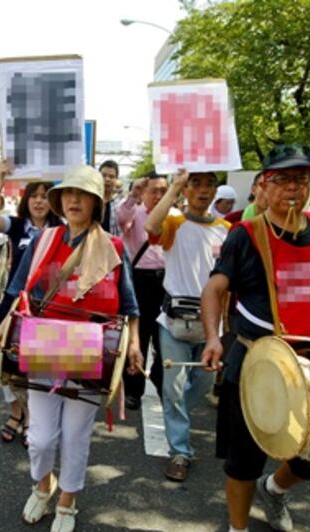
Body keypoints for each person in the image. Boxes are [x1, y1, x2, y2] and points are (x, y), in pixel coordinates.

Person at [201, 144, 310, 532]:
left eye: (301, 180)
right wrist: (215, 338)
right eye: (283, 180)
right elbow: (214, 290)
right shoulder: (246, 235)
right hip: (258, 361)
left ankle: (276, 491)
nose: (293, 189)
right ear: (264, 187)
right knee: (243, 459)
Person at [0, 165, 142, 532]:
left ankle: (68, 500)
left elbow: (130, 307)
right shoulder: (43, 240)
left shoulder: (114, 247)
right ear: (60, 201)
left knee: (75, 437)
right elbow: (19, 291)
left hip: (92, 352)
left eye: (82, 194)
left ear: (96, 202)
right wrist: (4, 325)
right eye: (68, 194)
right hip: (43, 346)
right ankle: (43, 485)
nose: (73, 200)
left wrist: (134, 343)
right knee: (39, 438)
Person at [144, 169, 229, 482]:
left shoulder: (227, 230)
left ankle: (174, 411)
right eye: (196, 184)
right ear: (187, 189)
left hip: (211, 325)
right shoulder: (174, 222)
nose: (203, 190)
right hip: (173, 322)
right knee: (175, 385)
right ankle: (180, 451)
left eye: (209, 184)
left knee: (203, 384)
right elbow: (150, 226)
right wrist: (174, 186)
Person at [0, 160, 60, 445]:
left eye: (44, 196)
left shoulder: (62, 230)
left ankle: (32, 417)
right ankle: (17, 412)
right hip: (13, 305)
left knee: (36, 367)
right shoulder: (16, 226)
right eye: (34, 196)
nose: (39, 202)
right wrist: (0, 179)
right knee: (8, 363)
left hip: (46, 310)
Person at [117, 173, 167, 409]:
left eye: (163, 190)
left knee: (165, 335)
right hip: (139, 279)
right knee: (139, 336)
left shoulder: (174, 216)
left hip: (167, 282)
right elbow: (121, 219)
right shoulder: (134, 212)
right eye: (154, 190)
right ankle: (133, 390)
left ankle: (159, 377)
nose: (159, 195)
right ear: (144, 192)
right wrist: (132, 196)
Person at [98, 159, 121, 235]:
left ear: (116, 179)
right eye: (103, 175)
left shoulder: (120, 204)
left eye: (111, 176)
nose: (107, 179)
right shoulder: (91, 201)